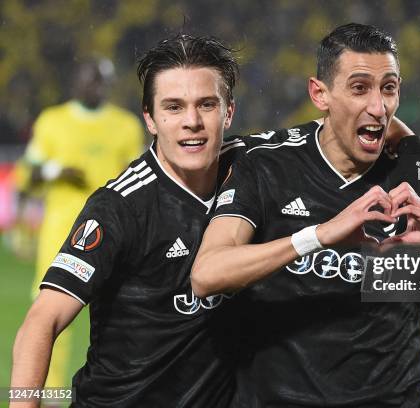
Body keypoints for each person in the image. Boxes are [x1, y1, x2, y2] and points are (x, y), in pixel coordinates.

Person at [192, 23, 420, 407]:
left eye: (388, 88)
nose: (378, 107)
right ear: (319, 93)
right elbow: (208, 274)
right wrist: (318, 236)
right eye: (360, 88)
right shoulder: (267, 166)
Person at [10, 34, 255, 407]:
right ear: (151, 119)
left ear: (228, 112)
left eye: (206, 104)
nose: (191, 121)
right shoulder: (118, 206)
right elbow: (41, 322)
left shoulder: (255, 172)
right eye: (173, 107)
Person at [14, 58, 144, 389]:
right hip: (62, 233)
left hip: (117, 235)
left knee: (121, 316)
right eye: (82, 78)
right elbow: (27, 175)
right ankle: (50, 394)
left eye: (94, 80)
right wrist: (56, 171)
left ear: (106, 84)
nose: (87, 86)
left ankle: (118, 389)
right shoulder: (52, 121)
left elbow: (142, 179)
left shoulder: (125, 126)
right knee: (50, 316)